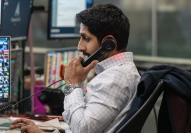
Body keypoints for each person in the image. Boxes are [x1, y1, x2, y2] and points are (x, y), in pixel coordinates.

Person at [10, 3, 141, 133]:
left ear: (108, 44)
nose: (80, 47)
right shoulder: (117, 73)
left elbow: (82, 129)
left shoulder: (115, 78)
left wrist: (73, 84)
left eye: (86, 38)